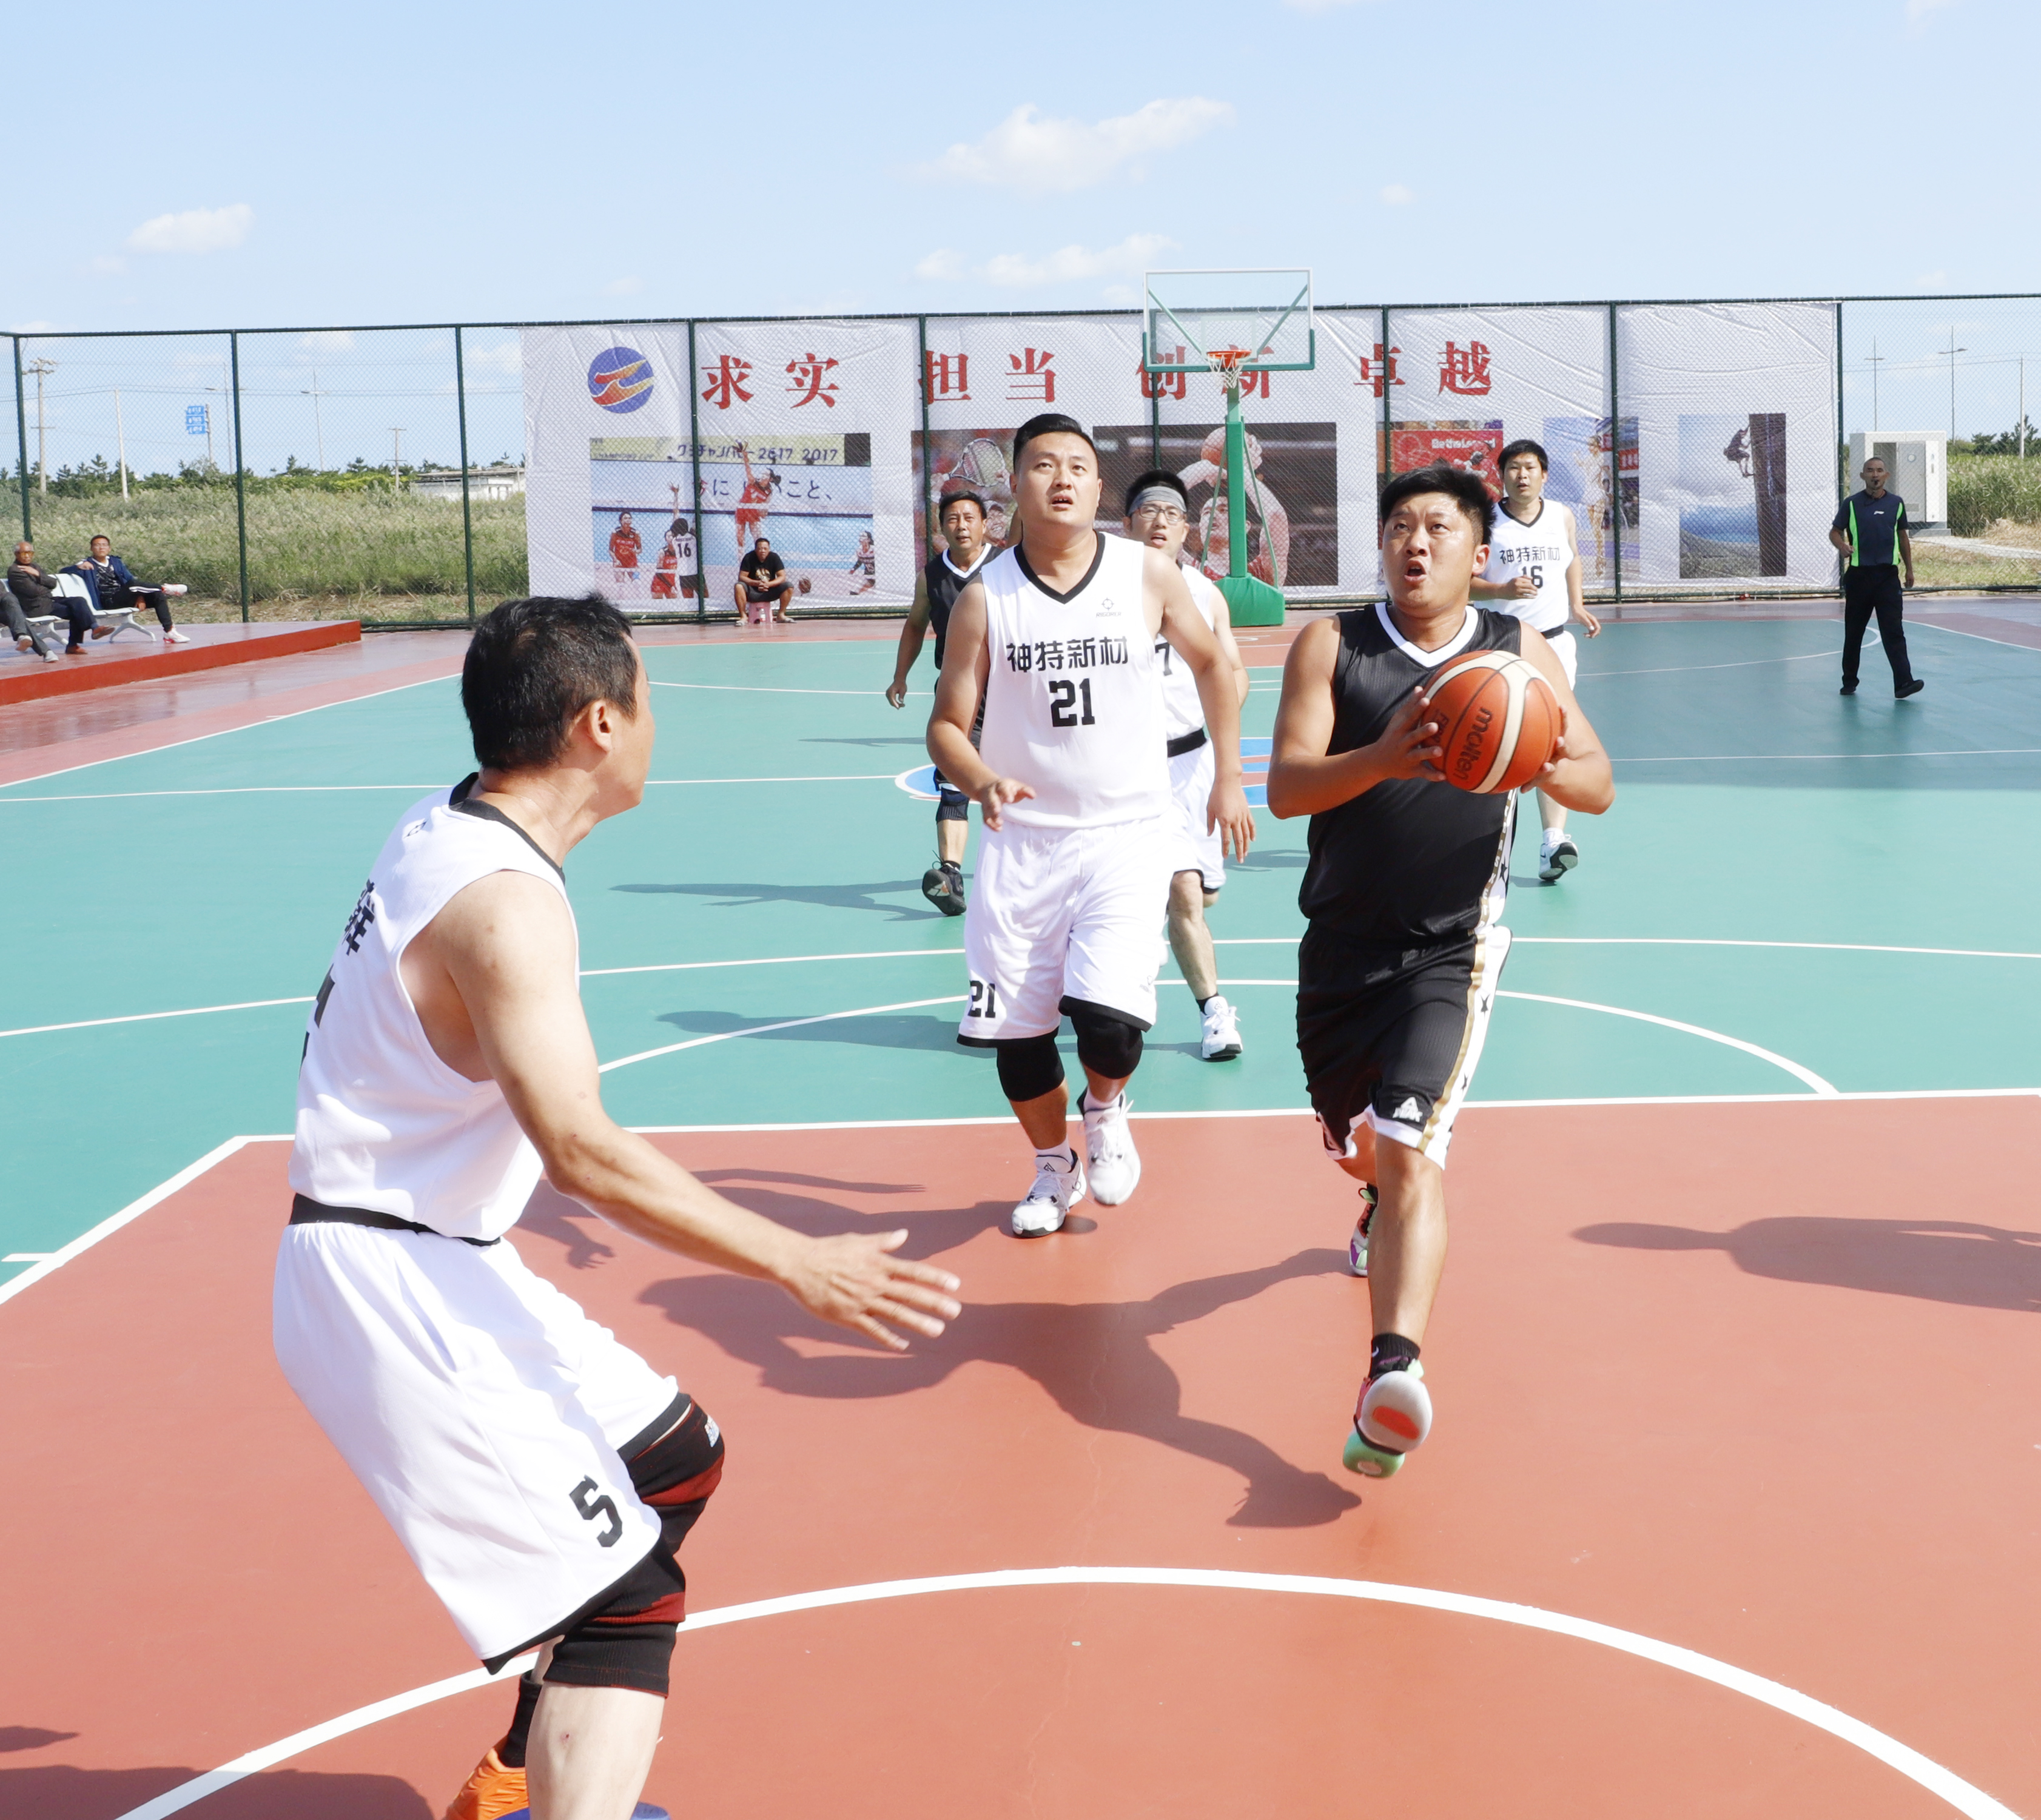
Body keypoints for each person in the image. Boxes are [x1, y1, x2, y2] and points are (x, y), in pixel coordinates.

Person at [272, 595, 963, 1820]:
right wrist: (799, 1262)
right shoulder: (505, 904)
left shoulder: (451, 820)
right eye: (647, 697)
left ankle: (516, 1780)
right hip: (393, 1279)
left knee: (673, 1464)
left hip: (431, 1249)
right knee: (626, 1603)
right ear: (599, 725)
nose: (656, 721)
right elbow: (582, 1150)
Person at [1266, 465, 1612, 1479]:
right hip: (1340, 950)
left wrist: (1535, 757)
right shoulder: (1333, 645)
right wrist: (1385, 757)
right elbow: (1286, 786)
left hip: (1453, 949)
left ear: (1478, 551)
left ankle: (1393, 1374)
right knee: (1363, 1152)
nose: (1416, 543)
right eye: (1400, 528)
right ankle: (1373, 1198)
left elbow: (1598, 782)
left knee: (1411, 1145)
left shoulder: (1516, 652)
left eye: (1438, 527)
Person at [927, 412, 1254, 1237]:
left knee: (1109, 1027)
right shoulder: (984, 598)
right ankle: (1052, 1165)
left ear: (1098, 486)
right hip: (1022, 846)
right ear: (1016, 485)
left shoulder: (1146, 574)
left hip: (1126, 834)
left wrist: (1228, 778)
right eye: (1043, 465)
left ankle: (1104, 1108)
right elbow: (946, 725)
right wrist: (981, 779)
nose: (1063, 478)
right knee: (1019, 1040)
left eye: (1077, 465)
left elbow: (1216, 667)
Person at [1123, 468, 1251, 1061]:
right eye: (1149, 511)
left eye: (1172, 514)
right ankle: (1214, 1011)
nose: (1160, 522)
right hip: (1125, 769)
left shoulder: (1205, 595)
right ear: (1127, 523)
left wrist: (1225, 730)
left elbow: (1233, 672)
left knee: (1199, 895)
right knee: (1181, 890)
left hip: (1191, 762)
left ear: (1185, 530)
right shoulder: (1104, 592)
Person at [1468, 440, 1602, 881]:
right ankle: (1479, 841)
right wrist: (1501, 591)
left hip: (1553, 644)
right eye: (1513, 467)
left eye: (1529, 467)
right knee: (1494, 741)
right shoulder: (1484, 521)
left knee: (1552, 738)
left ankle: (1553, 841)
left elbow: (1572, 558)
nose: (1521, 475)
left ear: (1544, 474)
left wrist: (1577, 604)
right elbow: (1461, 581)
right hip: (1500, 643)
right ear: (1501, 475)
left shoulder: (1562, 516)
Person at [886, 489, 995, 915]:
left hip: (1013, 689)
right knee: (953, 784)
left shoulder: (1008, 565)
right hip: (959, 692)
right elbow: (915, 625)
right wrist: (900, 675)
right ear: (941, 528)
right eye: (952, 519)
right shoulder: (930, 575)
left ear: (985, 524)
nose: (961, 525)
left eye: (969, 517)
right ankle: (950, 875)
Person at [1829, 457, 1922, 699]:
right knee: (1854, 632)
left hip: (1887, 578)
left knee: (1894, 631)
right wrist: (1842, 546)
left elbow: (1903, 537)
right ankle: (1849, 681)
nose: (1875, 475)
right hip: (1859, 577)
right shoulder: (1851, 504)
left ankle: (1904, 683)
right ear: (1863, 476)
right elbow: (1835, 532)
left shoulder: (1896, 503)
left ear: (1886, 475)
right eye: (1870, 471)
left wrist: (1909, 569)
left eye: (1880, 470)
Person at [70, 534, 191, 643]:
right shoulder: (87, 563)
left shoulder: (116, 562)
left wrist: (140, 597)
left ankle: (170, 632)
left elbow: (129, 579)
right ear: (91, 549)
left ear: (109, 548)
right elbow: (64, 571)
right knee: (134, 585)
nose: (101, 548)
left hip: (125, 597)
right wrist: (79, 567)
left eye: (104, 545)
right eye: (97, 545)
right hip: (109, 601)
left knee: (157, 596)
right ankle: (165, 588)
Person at [8, 542, 103, 654]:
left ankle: (95, 627)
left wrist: (38, 574)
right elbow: (34, 592)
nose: (27, 556)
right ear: (16, 554)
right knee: (75, 611)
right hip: (37, 607)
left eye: (30, 553)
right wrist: (46, 586)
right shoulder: (15, 571)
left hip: (49, 601)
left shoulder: (35, 567)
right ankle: (73, 645)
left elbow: (53, 583)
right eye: (24, 553)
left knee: (79, 601)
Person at [1, 573, 61, 661]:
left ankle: (22, 636)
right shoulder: (15, 571)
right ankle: (45, 651)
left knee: (10, 600)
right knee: (16, 617)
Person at [734, 536, 793, 624]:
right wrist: (756, 583)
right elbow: (742, 577)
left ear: (769, 550)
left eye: (765, 549)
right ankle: (744, 617)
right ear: (756, 550)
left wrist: (769, 584)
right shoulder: (749, 557)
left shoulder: (774, 557)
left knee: (789, 586)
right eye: (760, 549)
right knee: (739, 586)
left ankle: (781, 615)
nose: (763, 551)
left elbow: (782, 577)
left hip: (769, 591)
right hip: (753, 592)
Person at [731, 444, 777, 551]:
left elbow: (764, 511)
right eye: (762, 473)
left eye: (766, 475)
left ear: (770, 479)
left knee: (758, 539)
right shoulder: (753, 482)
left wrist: (763, 512)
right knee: (740, 539)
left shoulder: (769, 492)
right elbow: (748, 469)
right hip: (742, 511)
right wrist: (745, 456)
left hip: (754, 514)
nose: (763, 476)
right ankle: (741, 558)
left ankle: (759, 558)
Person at [607, 512, 642, 587]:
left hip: (631, 562)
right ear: (621, 521)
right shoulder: (616, 533)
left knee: (637, 583)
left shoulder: (635, 533)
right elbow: (610, 550)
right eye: (625, 518)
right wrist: (615, 560)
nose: (628, 520)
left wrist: (636, 552)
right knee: (621, 585)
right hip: (619, 562)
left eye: (630, 518)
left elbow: (640, 549)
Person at [847, 529, 877, 596]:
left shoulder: (874, 549)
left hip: (878, 572)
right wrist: (854, 569)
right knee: (869, 584)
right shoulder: (859, 550)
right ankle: (857, 593)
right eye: (860, 537)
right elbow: (860, 561)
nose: (861, 539)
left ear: (869, 540)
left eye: (863, 537)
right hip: (869, 572)